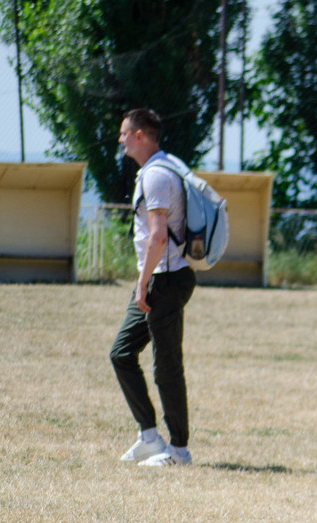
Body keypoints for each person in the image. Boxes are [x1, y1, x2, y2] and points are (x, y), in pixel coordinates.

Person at [108, 108, 197, 468]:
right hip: (158, 277)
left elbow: (158, 236)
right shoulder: (156, 170)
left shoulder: (157, 175)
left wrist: (143, 283)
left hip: (166, 278)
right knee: (122, 353)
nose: (121, 139)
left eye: (124, 133)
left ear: (140, 135)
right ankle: (149, 436)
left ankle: (178, 450)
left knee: (166, 366)